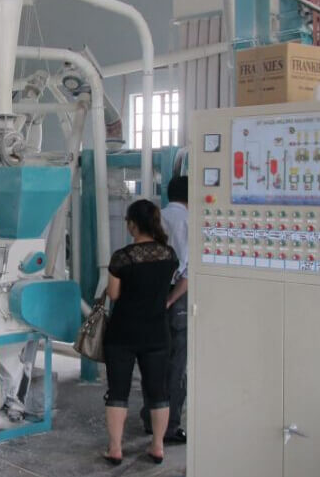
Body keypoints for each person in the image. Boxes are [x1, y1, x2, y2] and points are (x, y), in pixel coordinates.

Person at [102, 199, 178, 466]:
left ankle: (115, 448)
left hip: (123, 332)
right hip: (157, 332)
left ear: (133, 225)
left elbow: (113, 294)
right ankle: (157, 446)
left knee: (118, 391)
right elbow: (172, 283)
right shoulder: (169, 255)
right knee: (158, 391)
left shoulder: (122, 257)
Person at [142, 175, 189, 444]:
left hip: (149, 294)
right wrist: (171, 300)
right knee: (176, 363)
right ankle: (169, 426)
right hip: (176, 296)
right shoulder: (189, 222)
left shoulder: (155, 218)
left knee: (152, 359)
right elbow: (189, 272)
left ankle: (149, 418)